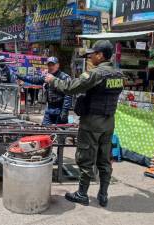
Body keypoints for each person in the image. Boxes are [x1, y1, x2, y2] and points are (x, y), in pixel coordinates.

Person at [44, 40, 124, 207]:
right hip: (108, 122)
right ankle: (103, 195)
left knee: (86, 159)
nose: (90, 57)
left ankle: (82, 194)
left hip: (92, 123)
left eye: (93, 54)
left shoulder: (96, 73)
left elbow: (71, 87)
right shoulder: (118, 74)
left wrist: (53, 80)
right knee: (104, 160)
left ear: (100, 55)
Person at [17, 57, 72, 125]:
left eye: (53, 65)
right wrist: (21, 76)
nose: (51, 67)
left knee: (60, 132)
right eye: (49, 65)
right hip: (49, 109)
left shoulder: (64, 77)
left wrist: (65, 111)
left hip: (60, 110)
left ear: (58, 65)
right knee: (45, 129)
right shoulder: (47, 76)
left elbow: (68, 95)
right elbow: (35, 79)